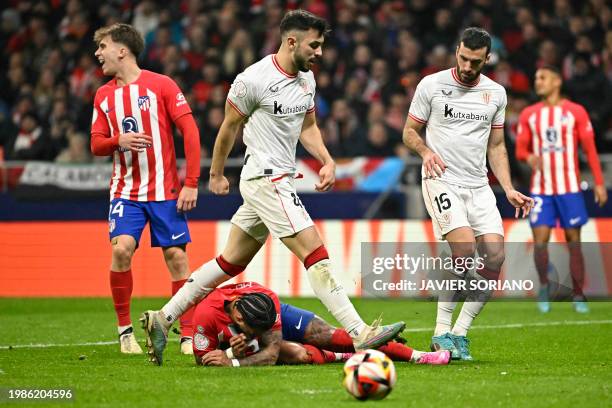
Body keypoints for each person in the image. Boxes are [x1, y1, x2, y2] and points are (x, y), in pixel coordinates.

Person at [141, 10, 405, 365]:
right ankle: (360, 332)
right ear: (291, 41)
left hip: (277, 178)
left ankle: (164, 317)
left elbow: (307, 126)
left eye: (322, 45)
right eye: (315, 45)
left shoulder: (306, 80)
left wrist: (326, 159)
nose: (320, 52)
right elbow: (228, 128)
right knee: (316, 254)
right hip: (266, 178)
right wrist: (216, 174)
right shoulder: (253, 79)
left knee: (229, 262)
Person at [402, 27, 534, 361]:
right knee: (463, 249)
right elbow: (409, 132)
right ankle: (439, 332)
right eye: (463, 58)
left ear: (487, 58)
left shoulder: (496, 94)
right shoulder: (431, 85)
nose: (468, 66)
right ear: (456, 51)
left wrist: (507, 188)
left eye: (475, 61)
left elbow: (497, 145)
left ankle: (459, 334)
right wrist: (426, 153)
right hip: (442, 179)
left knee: (495, 257)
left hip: (479, 186)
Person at [90, 23, 200, 354]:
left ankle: (188, 334)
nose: (98, 53)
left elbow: (190, 132)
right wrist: (117, 141)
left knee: (177, 257)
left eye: (103, 46)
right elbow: (96, 144)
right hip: (125, 192)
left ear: (122, 50)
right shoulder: (104, 95)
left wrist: (191, 183)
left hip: (165, 191)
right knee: (121, 249)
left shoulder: (161, 85)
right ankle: (125, 332)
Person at [515, 65, 607, 314]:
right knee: (540, 242)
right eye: (536, 78)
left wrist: (599, 183)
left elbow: (589, 149)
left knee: (574, 241)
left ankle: (578, 293)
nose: (538, 82)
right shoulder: (529, 114)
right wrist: (529, 157)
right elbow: (520, 150)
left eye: (543, 77)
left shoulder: (575, 111)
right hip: (540, 190)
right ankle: (545, 287)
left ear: (557, 82)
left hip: (569, 189)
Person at [192, 281, 451, 367]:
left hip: (278, 316)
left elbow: (270, 353)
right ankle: (339, 356)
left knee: (327, 333)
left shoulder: (264, 297)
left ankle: (420, 356)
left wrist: (236, 359)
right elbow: (202, 358)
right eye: (255, 332)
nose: (262, 334)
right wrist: (230, 355)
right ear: (238, 319)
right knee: (300, 354)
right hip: (244, 345)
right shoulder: (205, 315)